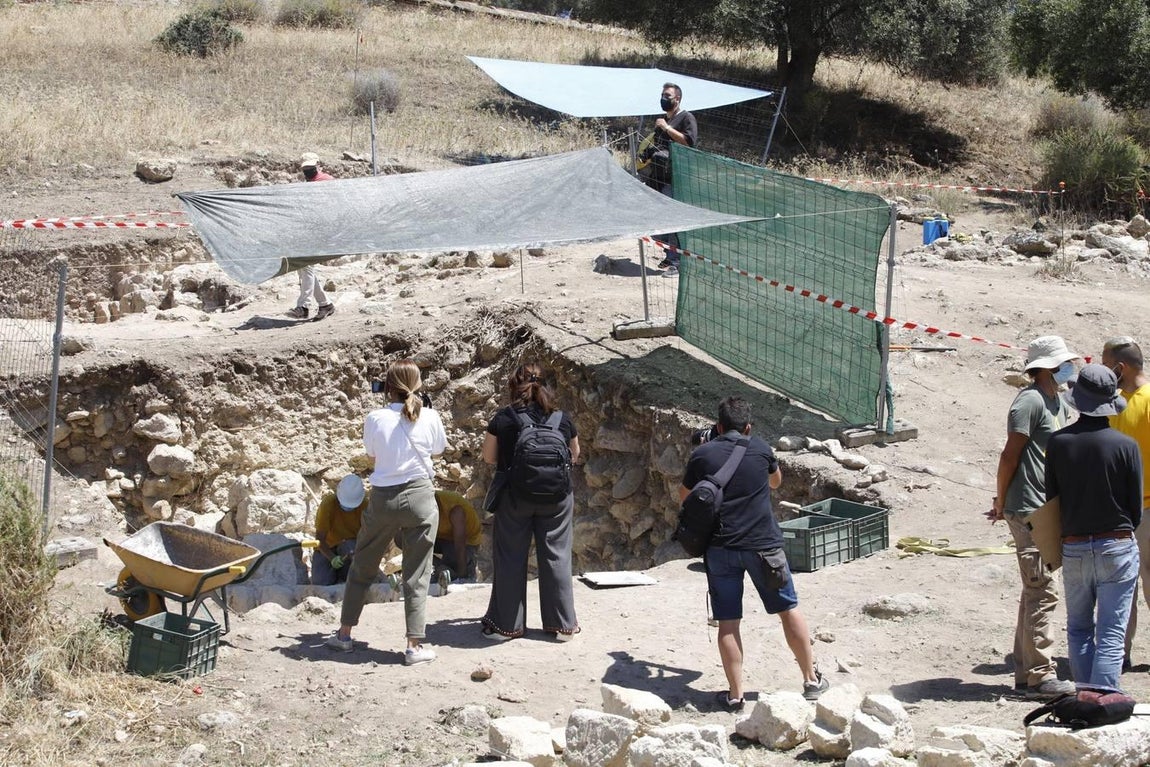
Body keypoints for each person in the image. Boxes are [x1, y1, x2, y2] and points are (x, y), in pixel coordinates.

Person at [681, 396, 829, 710]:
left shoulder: (702, 454)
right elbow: (776, 482)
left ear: (719, 426)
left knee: (728, 623)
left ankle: (735, 696)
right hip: (764, 546)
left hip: (721, 547)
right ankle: (811, 680)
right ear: (748, 427)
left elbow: (685, 497)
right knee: (788, 610)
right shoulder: (761, 448)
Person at [327, 359, 447, 665]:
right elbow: (438, 451)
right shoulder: (430, 416)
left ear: (387, 387)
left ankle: (344, 634)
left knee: (363, 565)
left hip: (383, 499)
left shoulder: (375, 418)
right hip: (420, 497)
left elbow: (371, 455)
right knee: (417, 572)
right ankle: (414, 646)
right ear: (418, 385)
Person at [988, 335, 1079, 698]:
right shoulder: (1030, 401)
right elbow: (1009, 456)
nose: (1068, 368)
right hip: (1028, 507)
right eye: (1062, 364)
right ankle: (1041, 675)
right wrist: (1001, 501)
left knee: (1034, 590)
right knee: (1042, 590)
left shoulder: (1056, 401)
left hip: (1044, 505)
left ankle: (1027, 672)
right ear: (1046, 368)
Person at [1046, 363, 1142, 689]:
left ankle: (1086, 697)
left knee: (1079, 628)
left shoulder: (1058, 443)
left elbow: (1051, 499)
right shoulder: (1126, 446)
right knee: (1112, 630)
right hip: (1117, 543)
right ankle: (1103, 699)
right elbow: (1134, 508)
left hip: (1074, 545)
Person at [480, 361, 580, 641]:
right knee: (557, 555)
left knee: (510, 557)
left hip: (514, 497)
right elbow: (574, 455)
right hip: (557, 497)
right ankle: (562, 626)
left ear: (514, 385)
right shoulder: (562, 418)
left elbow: (489, 457)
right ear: (545, 385)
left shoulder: (504, 418)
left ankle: (506, 626)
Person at [1101, 337, 1150, 672]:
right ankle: (1120, 653)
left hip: (1144, 509)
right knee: (1121, 586)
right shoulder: (1111, 401)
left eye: (1107, 365)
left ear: (1121, 367)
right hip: (1118, 511)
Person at [639, 82, 698, 277]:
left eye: (667, 96)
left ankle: (676, 262)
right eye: (662, 95)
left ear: (677, 99)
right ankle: (669, 254)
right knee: (657, 220)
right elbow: (658, 144)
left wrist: (667, 128)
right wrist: (646, 154)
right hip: (658, 177)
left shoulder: (687, 118)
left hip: (676, 178)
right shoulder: (663, 120)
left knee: (672, 220)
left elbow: (689, 142)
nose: (663, 99)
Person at [286, 152, 335, 321]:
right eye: (305, 168)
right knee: (304, 268)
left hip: (320, 231)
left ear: (318, 165)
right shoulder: (307, 184)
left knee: (305, 265)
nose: (308, 171)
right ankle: (325, 304)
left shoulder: (326, 181)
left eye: (310, 167)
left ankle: (303, 306)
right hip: (308, 231)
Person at [311, 474, 368, 586]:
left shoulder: (365, 506)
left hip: (350, 547)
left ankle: (344, 576)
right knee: (320, 582)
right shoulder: (328, 504)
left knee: (353, 575)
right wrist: (332, 558)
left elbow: (368, 536)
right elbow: (320, 538)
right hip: (327, 547)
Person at [433, 489, 481, 583]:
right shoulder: (423, 506)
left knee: (454, 566)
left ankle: (455, 572)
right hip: (442, 538)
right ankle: (440, 567)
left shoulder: (455, 509)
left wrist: (461, 578)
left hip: (466, 542)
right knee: (407, 541)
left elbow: (460, 546)